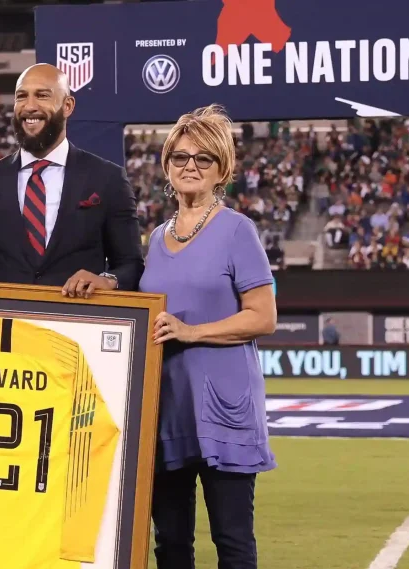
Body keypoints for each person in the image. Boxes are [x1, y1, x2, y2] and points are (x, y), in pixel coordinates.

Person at [138, 105, 278, 569]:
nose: (190, 167)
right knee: (171, 544)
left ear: (222, 169)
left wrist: (191, 330)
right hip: (167, 408)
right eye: (180, 158)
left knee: (232, 541)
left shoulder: (239, 230)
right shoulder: (155, 238)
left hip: (224, 406)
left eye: (203, 159)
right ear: (166, 166)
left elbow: (263, 317)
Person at [0, 63, 144, 296]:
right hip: (7, 323)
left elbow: (131, 265)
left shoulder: (108, 178)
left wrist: (107, 280)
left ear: (67, 106)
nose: (30, 106)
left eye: (42, 95)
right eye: (21, 96)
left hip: (77, 324)